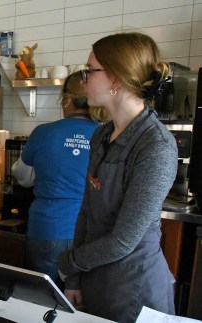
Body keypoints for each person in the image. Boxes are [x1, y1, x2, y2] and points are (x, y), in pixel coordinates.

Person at [57, 32, 177, 322]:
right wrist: (73, 279)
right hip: (94, 278)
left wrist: (70, 263)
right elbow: (86, 211)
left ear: (115, 79)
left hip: (133, 287)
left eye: (90, 70)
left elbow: (124, 241)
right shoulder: (101, 135)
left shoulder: (155, 145)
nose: (83, 79)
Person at [12, 71, 105, 283]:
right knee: (78, 303)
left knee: (42, 295)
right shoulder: (104, 134)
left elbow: (23, 177)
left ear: (67, 100)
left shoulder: (44, 132)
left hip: (48, 227)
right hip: (90, 234)